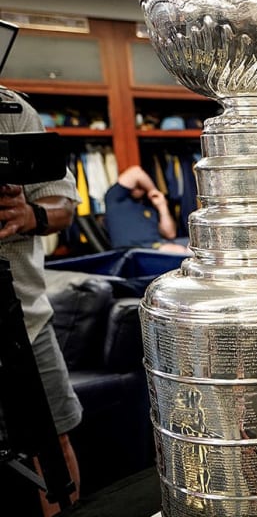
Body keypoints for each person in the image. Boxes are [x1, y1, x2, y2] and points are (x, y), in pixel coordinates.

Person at [0, 86, 83, 516]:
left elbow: (64, 204)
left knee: (54, 442)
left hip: (25, 315)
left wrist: (30, 215)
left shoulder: (11, 108)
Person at [103, 165, 189, 253]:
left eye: (141, 186)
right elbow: (136, 172)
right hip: (133, 249)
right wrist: (153, 190)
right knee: (179, 251)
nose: (138, 187)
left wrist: (162, 206)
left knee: (197, 245)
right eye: (137, 184)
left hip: (157, 245)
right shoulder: (114, 198)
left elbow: (170, 234)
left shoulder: (149, 205)